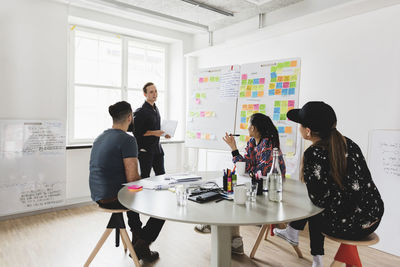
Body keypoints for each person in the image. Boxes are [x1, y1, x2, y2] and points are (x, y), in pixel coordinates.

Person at [274, 101, 384, 267]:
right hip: (374, 216)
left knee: (314, 207)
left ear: (308, 131)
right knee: (320, 202)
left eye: (300, 125)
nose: (299, 128)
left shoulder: (313, 154)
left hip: (350, 226)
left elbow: (318, 201)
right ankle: (294, 234)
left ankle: (312, 254)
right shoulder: (349, 143)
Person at [195, 113, 286, 255]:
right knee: (226, 190)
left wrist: (248, 171)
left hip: (270, 189)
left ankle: (217, 227)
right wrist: (233, 147)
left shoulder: (267, 145)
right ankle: (232, 240)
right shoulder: (252, 142)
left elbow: (261, 172)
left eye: (249, 124)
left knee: (233, 196)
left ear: (254, 128)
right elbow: (246, 166)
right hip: (254, 183)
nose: (247, 127)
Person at [89, 101, 165, 262]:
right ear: (130, 117)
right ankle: (141, 245)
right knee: (163, 204)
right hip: (114, 198)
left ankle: (137, 237)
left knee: (133, 193)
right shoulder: (127, 139)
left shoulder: (100, 137)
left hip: (98, 195)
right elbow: (132, 179)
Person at [130, 82, 170, 178]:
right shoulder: (140, 111)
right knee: (145, 177)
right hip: (146, 151)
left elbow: (155, 128)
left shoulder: (156, 109)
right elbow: (136, 132)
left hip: (157, 149)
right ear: (145, 94)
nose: (155, 94)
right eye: (151, 92)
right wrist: (154, 133)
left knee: (161, 176)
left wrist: (164, 134)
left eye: (156, 91)